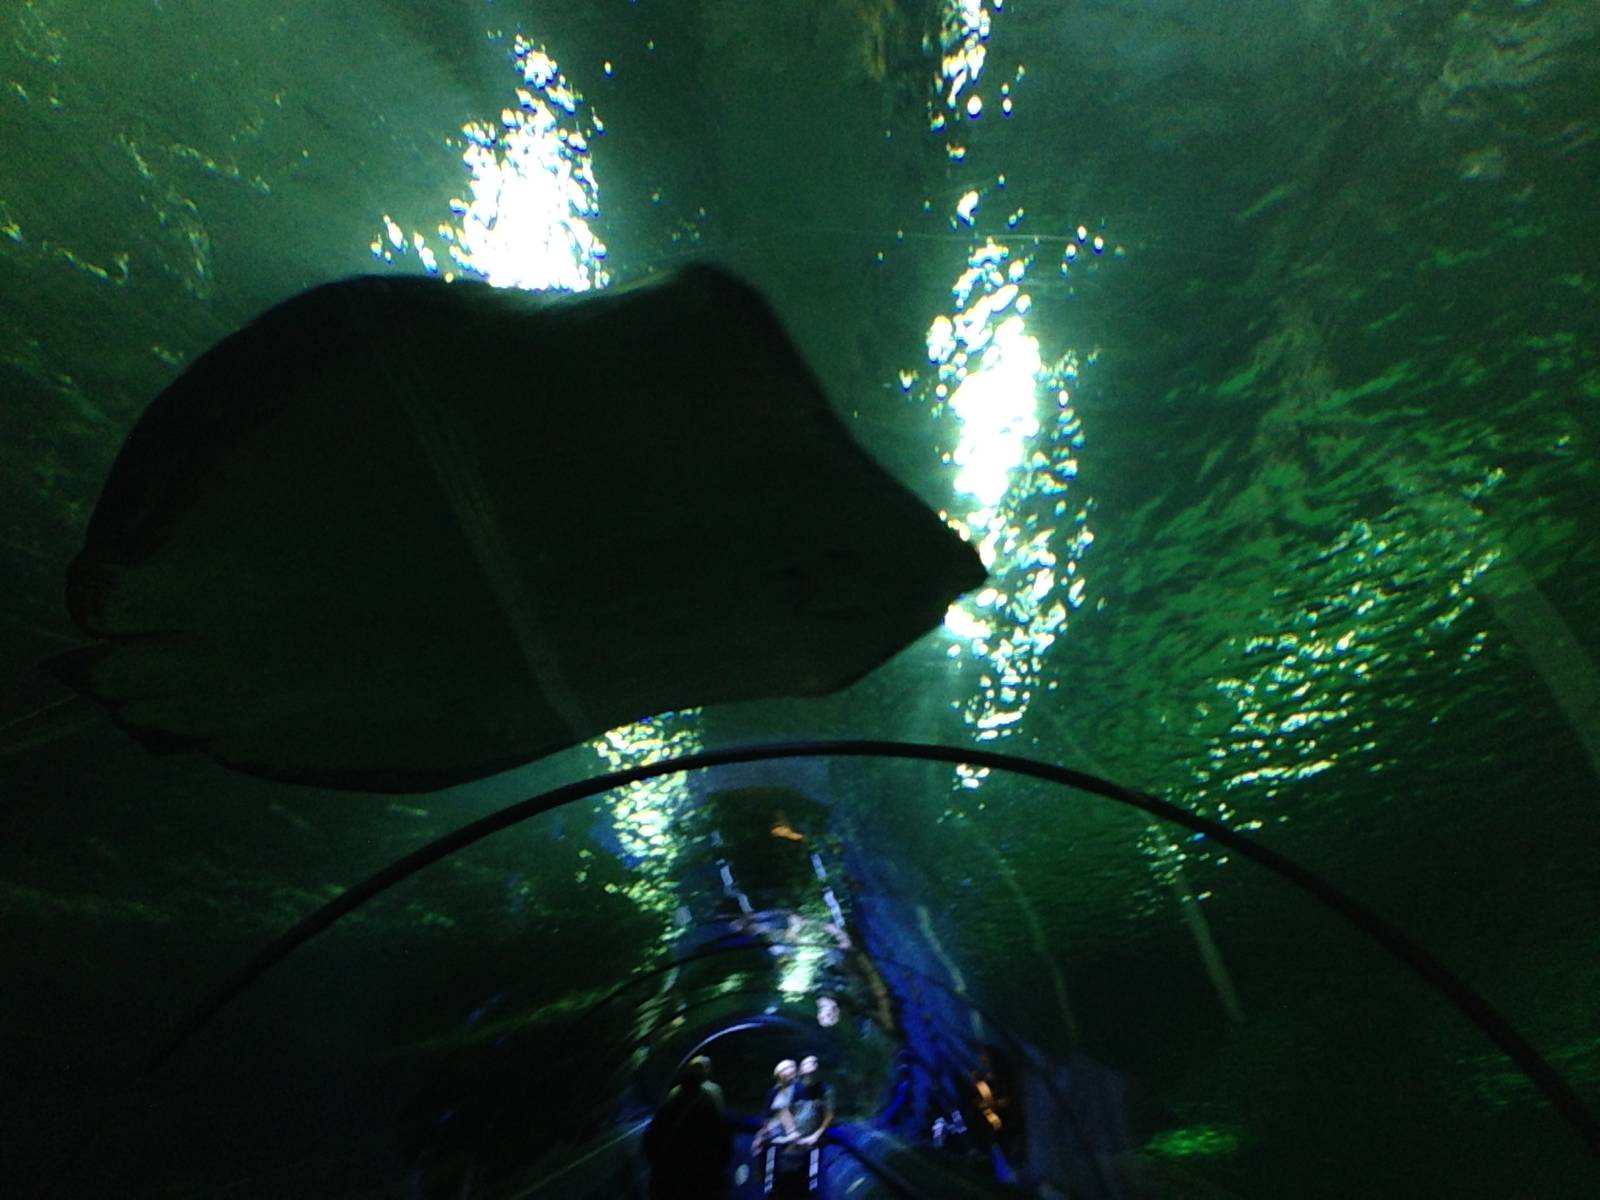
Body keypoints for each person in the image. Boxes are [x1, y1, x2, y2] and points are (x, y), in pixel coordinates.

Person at [642, 1056, 733, 1199]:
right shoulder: (711, 1098)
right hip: (702, 1177)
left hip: (669, 1175)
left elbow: (650, 1142)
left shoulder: (669, 1103)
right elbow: (722, 1138)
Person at [769, 1055, 834, 1197]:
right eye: (808, 1062)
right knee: (783, 1177)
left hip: (811, 1142)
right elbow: (782, 1109)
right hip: (790, 1141)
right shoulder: (792, 1087)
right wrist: (791, 1132)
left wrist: (815, 1136)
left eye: (815, 1062)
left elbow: (829, 1114)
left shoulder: (826, 1089)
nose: (812, 1064)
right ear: (802, 1068)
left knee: (805, 1183)